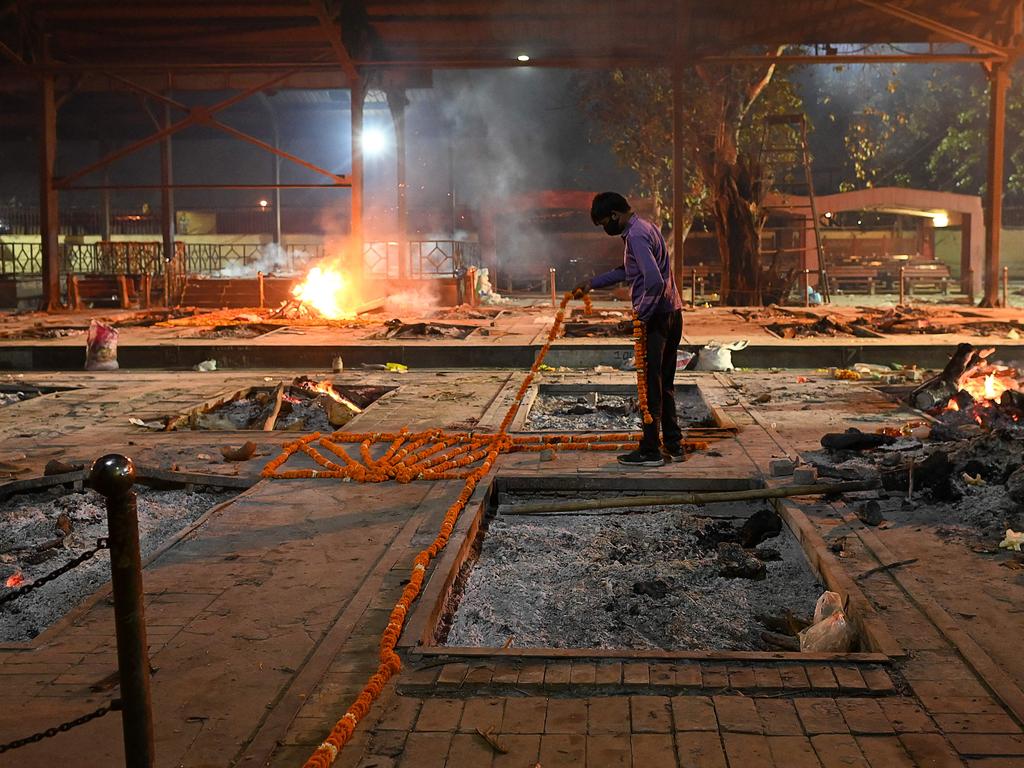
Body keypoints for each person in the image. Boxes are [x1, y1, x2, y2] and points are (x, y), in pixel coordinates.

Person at [574, 192, 684, 467]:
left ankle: (650, 451)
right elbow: (629, 271)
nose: (605, 229)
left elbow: (655, 283)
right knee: (664, 382)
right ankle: (674, 443)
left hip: (657, 318)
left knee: (650, 386)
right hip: (673, 312)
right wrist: (593, 282)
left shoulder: (635, 236)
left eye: (603, 224)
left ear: (614, 215)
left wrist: (639, 318)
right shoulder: (647, 228)